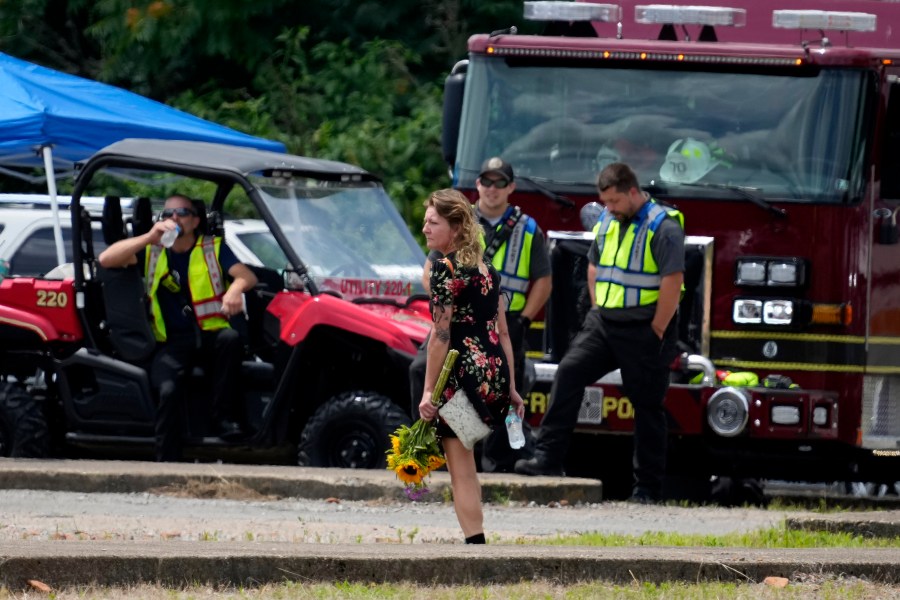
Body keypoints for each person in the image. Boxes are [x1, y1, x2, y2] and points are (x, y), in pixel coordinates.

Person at [514, 163, 684, 505]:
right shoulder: (609, 221)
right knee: (569, 372)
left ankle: (647, 489)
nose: (608, 207)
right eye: (605, 201)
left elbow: (673, 282)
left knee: (647, 406)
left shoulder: (663, 227)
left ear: (633, 192)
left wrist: (657, 330)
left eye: (614, 201)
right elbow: (594, 265)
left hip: (645, 327)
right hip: (603, 323)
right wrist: (596, 307)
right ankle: (547, 458)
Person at [409, 157, 551, 473]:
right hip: (469, 323)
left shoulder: (526, 230)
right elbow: (430, 272)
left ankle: (486, 454)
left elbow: (543, 280)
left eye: (500, 182)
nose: (492, 188)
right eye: (486, 181)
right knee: (427, 371)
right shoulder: (456, 219)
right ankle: (458, 449)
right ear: (477, 185)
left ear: (511, 187)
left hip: (498, 320)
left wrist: (524, 319)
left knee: (472, 385)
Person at [98, 194, 258, 462]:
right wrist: (149, 237)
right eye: (167, 214)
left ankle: (225, 423)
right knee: (169, 390)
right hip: (170, 342)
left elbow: (247, 276)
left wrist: (235, 289)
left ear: (195, 220)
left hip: (210, 335)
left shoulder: (212, 247)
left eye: (181, 212)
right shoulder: (153, 249)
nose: (173, 218)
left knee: (230, 340)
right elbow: (106, 259)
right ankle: (166, 460)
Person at [418, 189, 525, 544]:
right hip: (492, 376)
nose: (425, 229)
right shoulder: (489, 271)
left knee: (460, 469)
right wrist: (510, 388)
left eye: (433, 223)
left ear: (456, 226)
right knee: (468, 461)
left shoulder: (443, 270)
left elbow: (440, 336)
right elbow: (504, 334)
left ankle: (476, 546)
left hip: (460, 375)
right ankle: (476, 539)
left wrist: (429, 391)